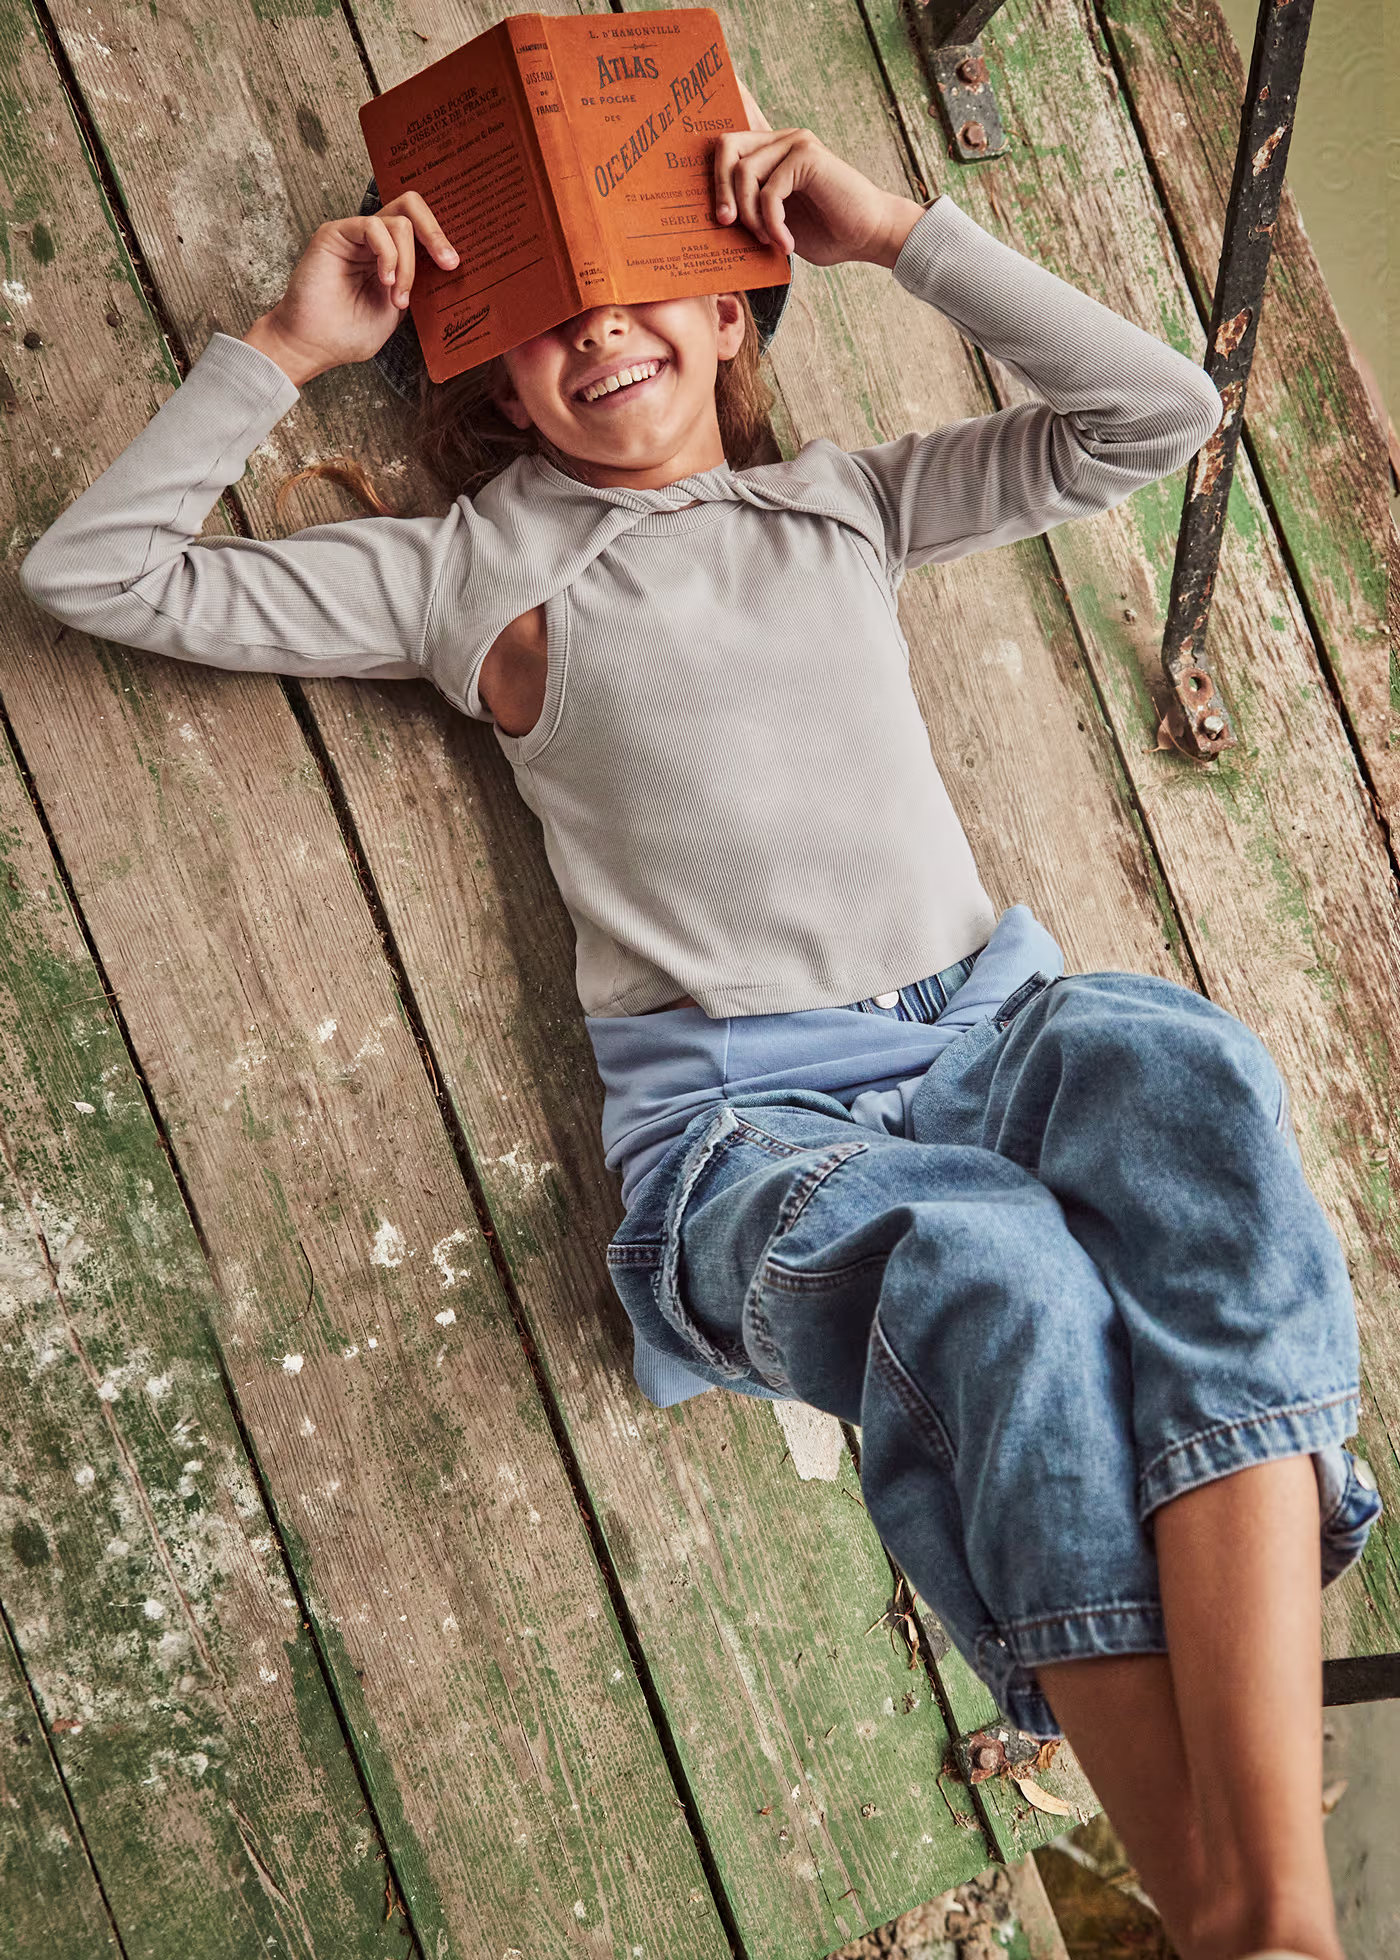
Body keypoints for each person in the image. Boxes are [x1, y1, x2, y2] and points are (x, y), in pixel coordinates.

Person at [18, 81, 1378, 1960]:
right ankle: (1243, 1921)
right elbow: (94, 574)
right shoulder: (468, 572)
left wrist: (893, 233)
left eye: (643, 284)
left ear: (733, 306)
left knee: (1188, 1071)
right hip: (755, 1138)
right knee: (1001, 1275)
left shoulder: (844, 502)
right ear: (496, 381)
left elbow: (1159, 415)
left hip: (995, 1040)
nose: (600, 333)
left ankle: (1270, 1909)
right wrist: (285, 345)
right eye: (543, 319)